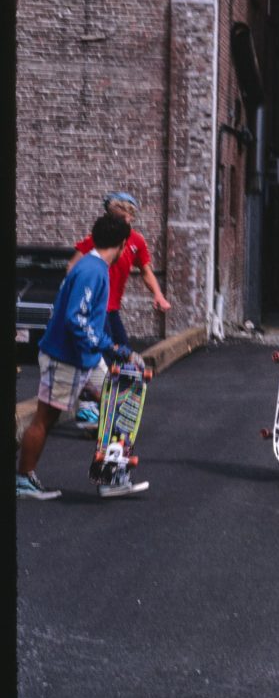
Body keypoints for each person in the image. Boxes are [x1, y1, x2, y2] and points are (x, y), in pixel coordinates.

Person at [17, 213, 136, 499]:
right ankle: (23, 480)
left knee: (116, 407)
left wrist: (106, 348)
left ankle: (110, 475)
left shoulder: (94, 267)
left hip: (86, 356)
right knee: (46, 417)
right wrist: (111, 347)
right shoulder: (92, 271)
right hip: (65, 356)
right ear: (121, 244)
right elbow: (76, 319)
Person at [67, 192, 171, 429]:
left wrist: (158, 294)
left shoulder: (136, 242)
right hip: (97, 309)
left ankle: (109, 405)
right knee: (103, 356)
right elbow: (72, 266)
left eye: (125, 219)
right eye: (117, 218)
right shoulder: (100, 238)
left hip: (112, 309)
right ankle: (89, 407)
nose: (122, 224)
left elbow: (145, 271)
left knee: (124, 356)